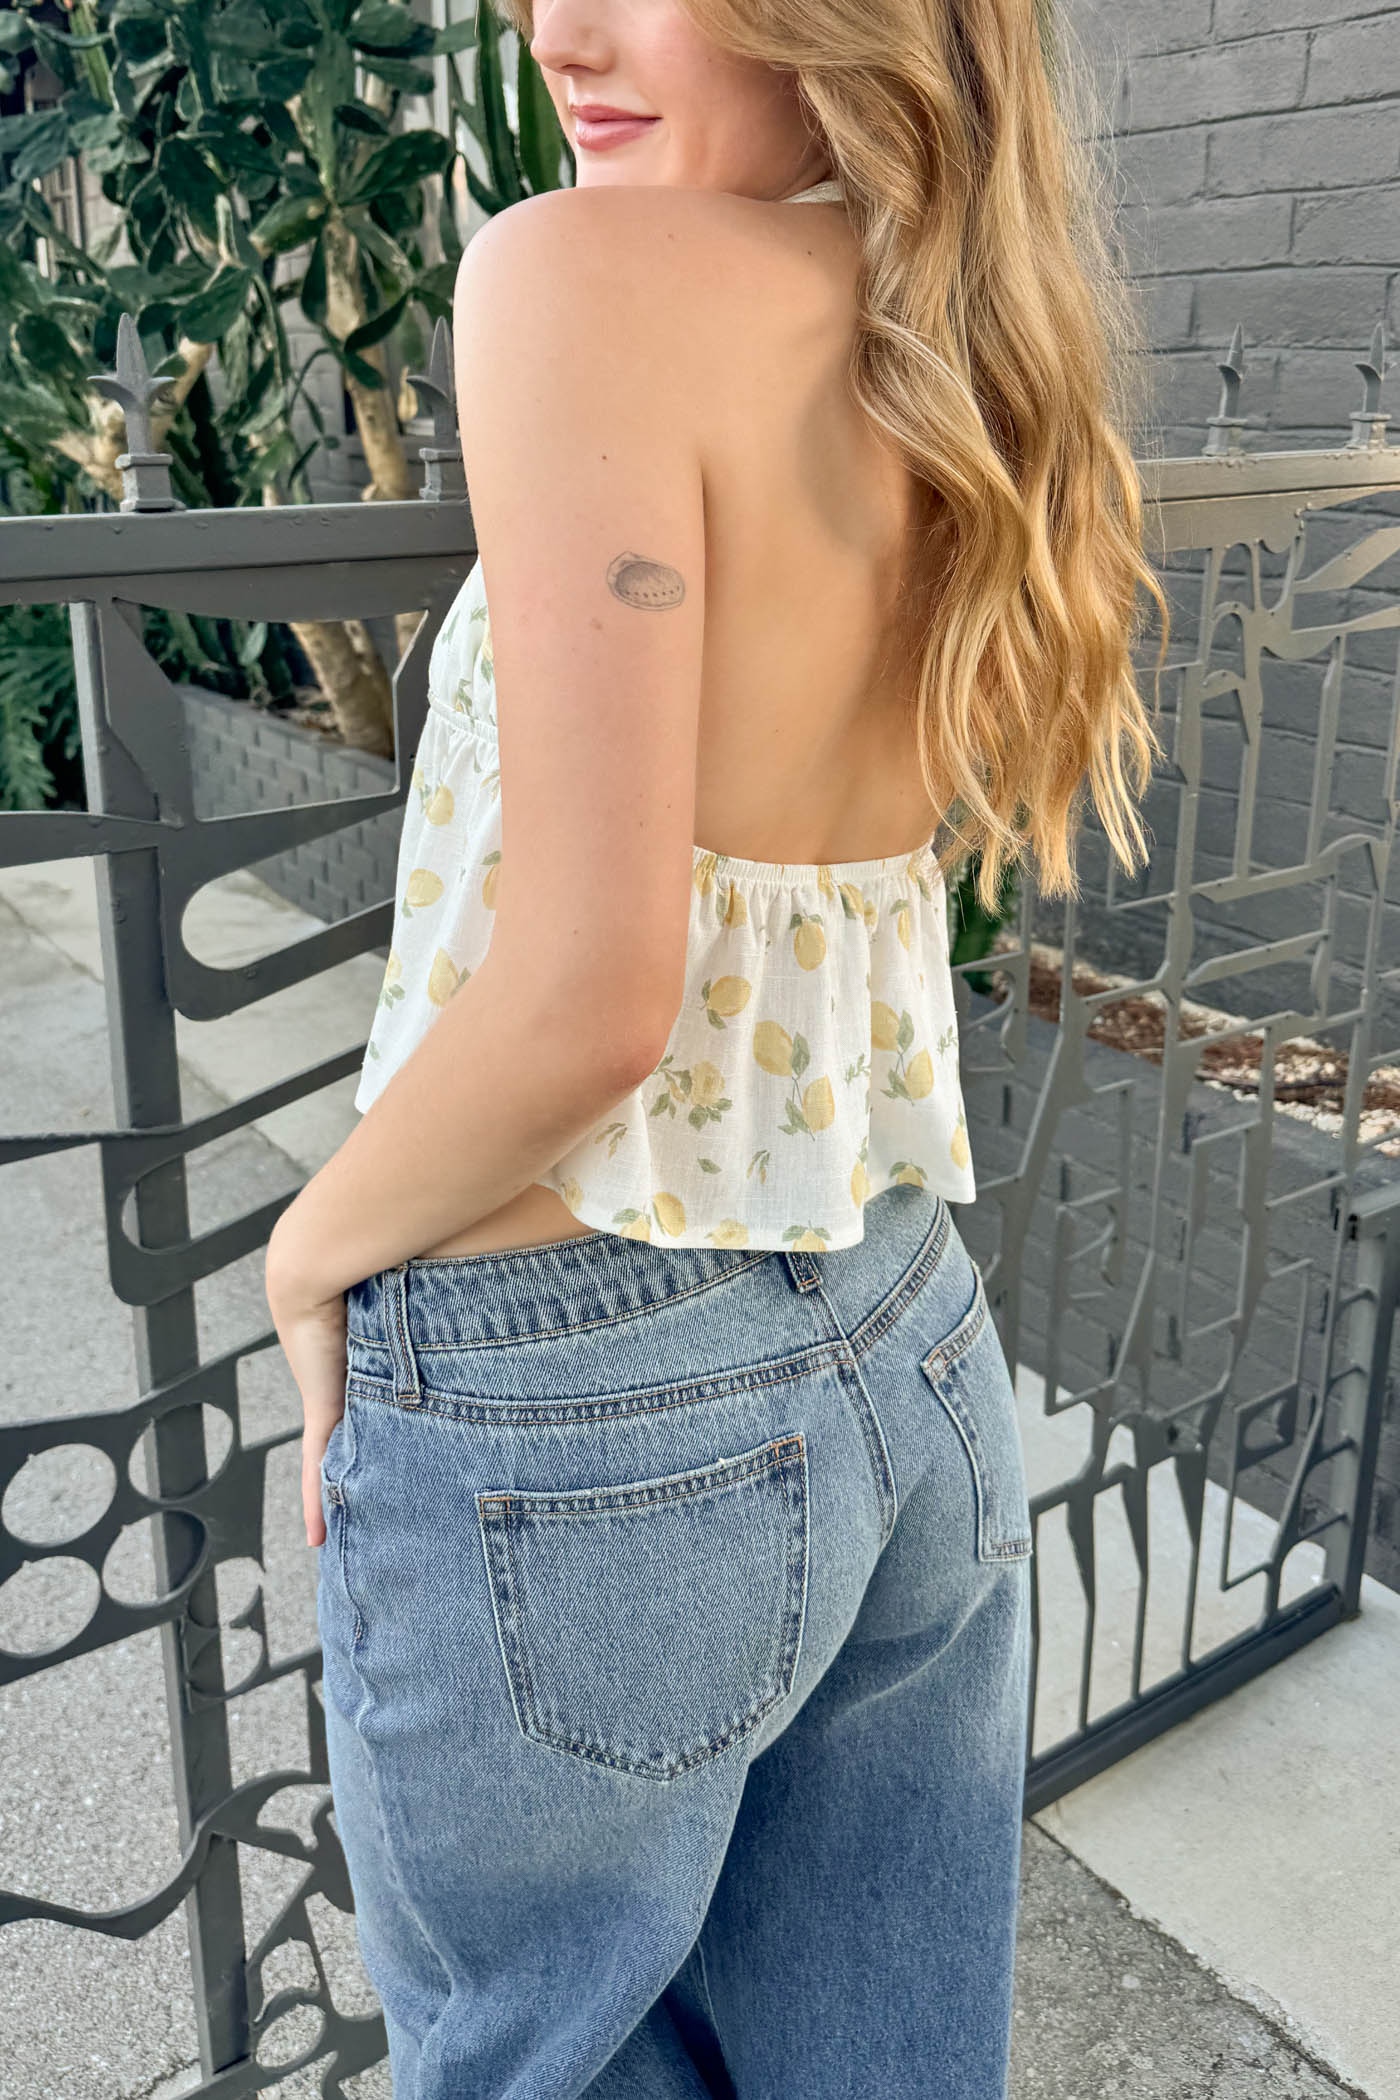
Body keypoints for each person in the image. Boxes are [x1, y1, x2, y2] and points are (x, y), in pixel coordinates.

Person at [264, 0, 1166, 2088]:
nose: (555, 32)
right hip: (900, 1338)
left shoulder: (580, 276)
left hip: (577, 1401)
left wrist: (310, 1254)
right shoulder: (956, 334)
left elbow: (596, 991)